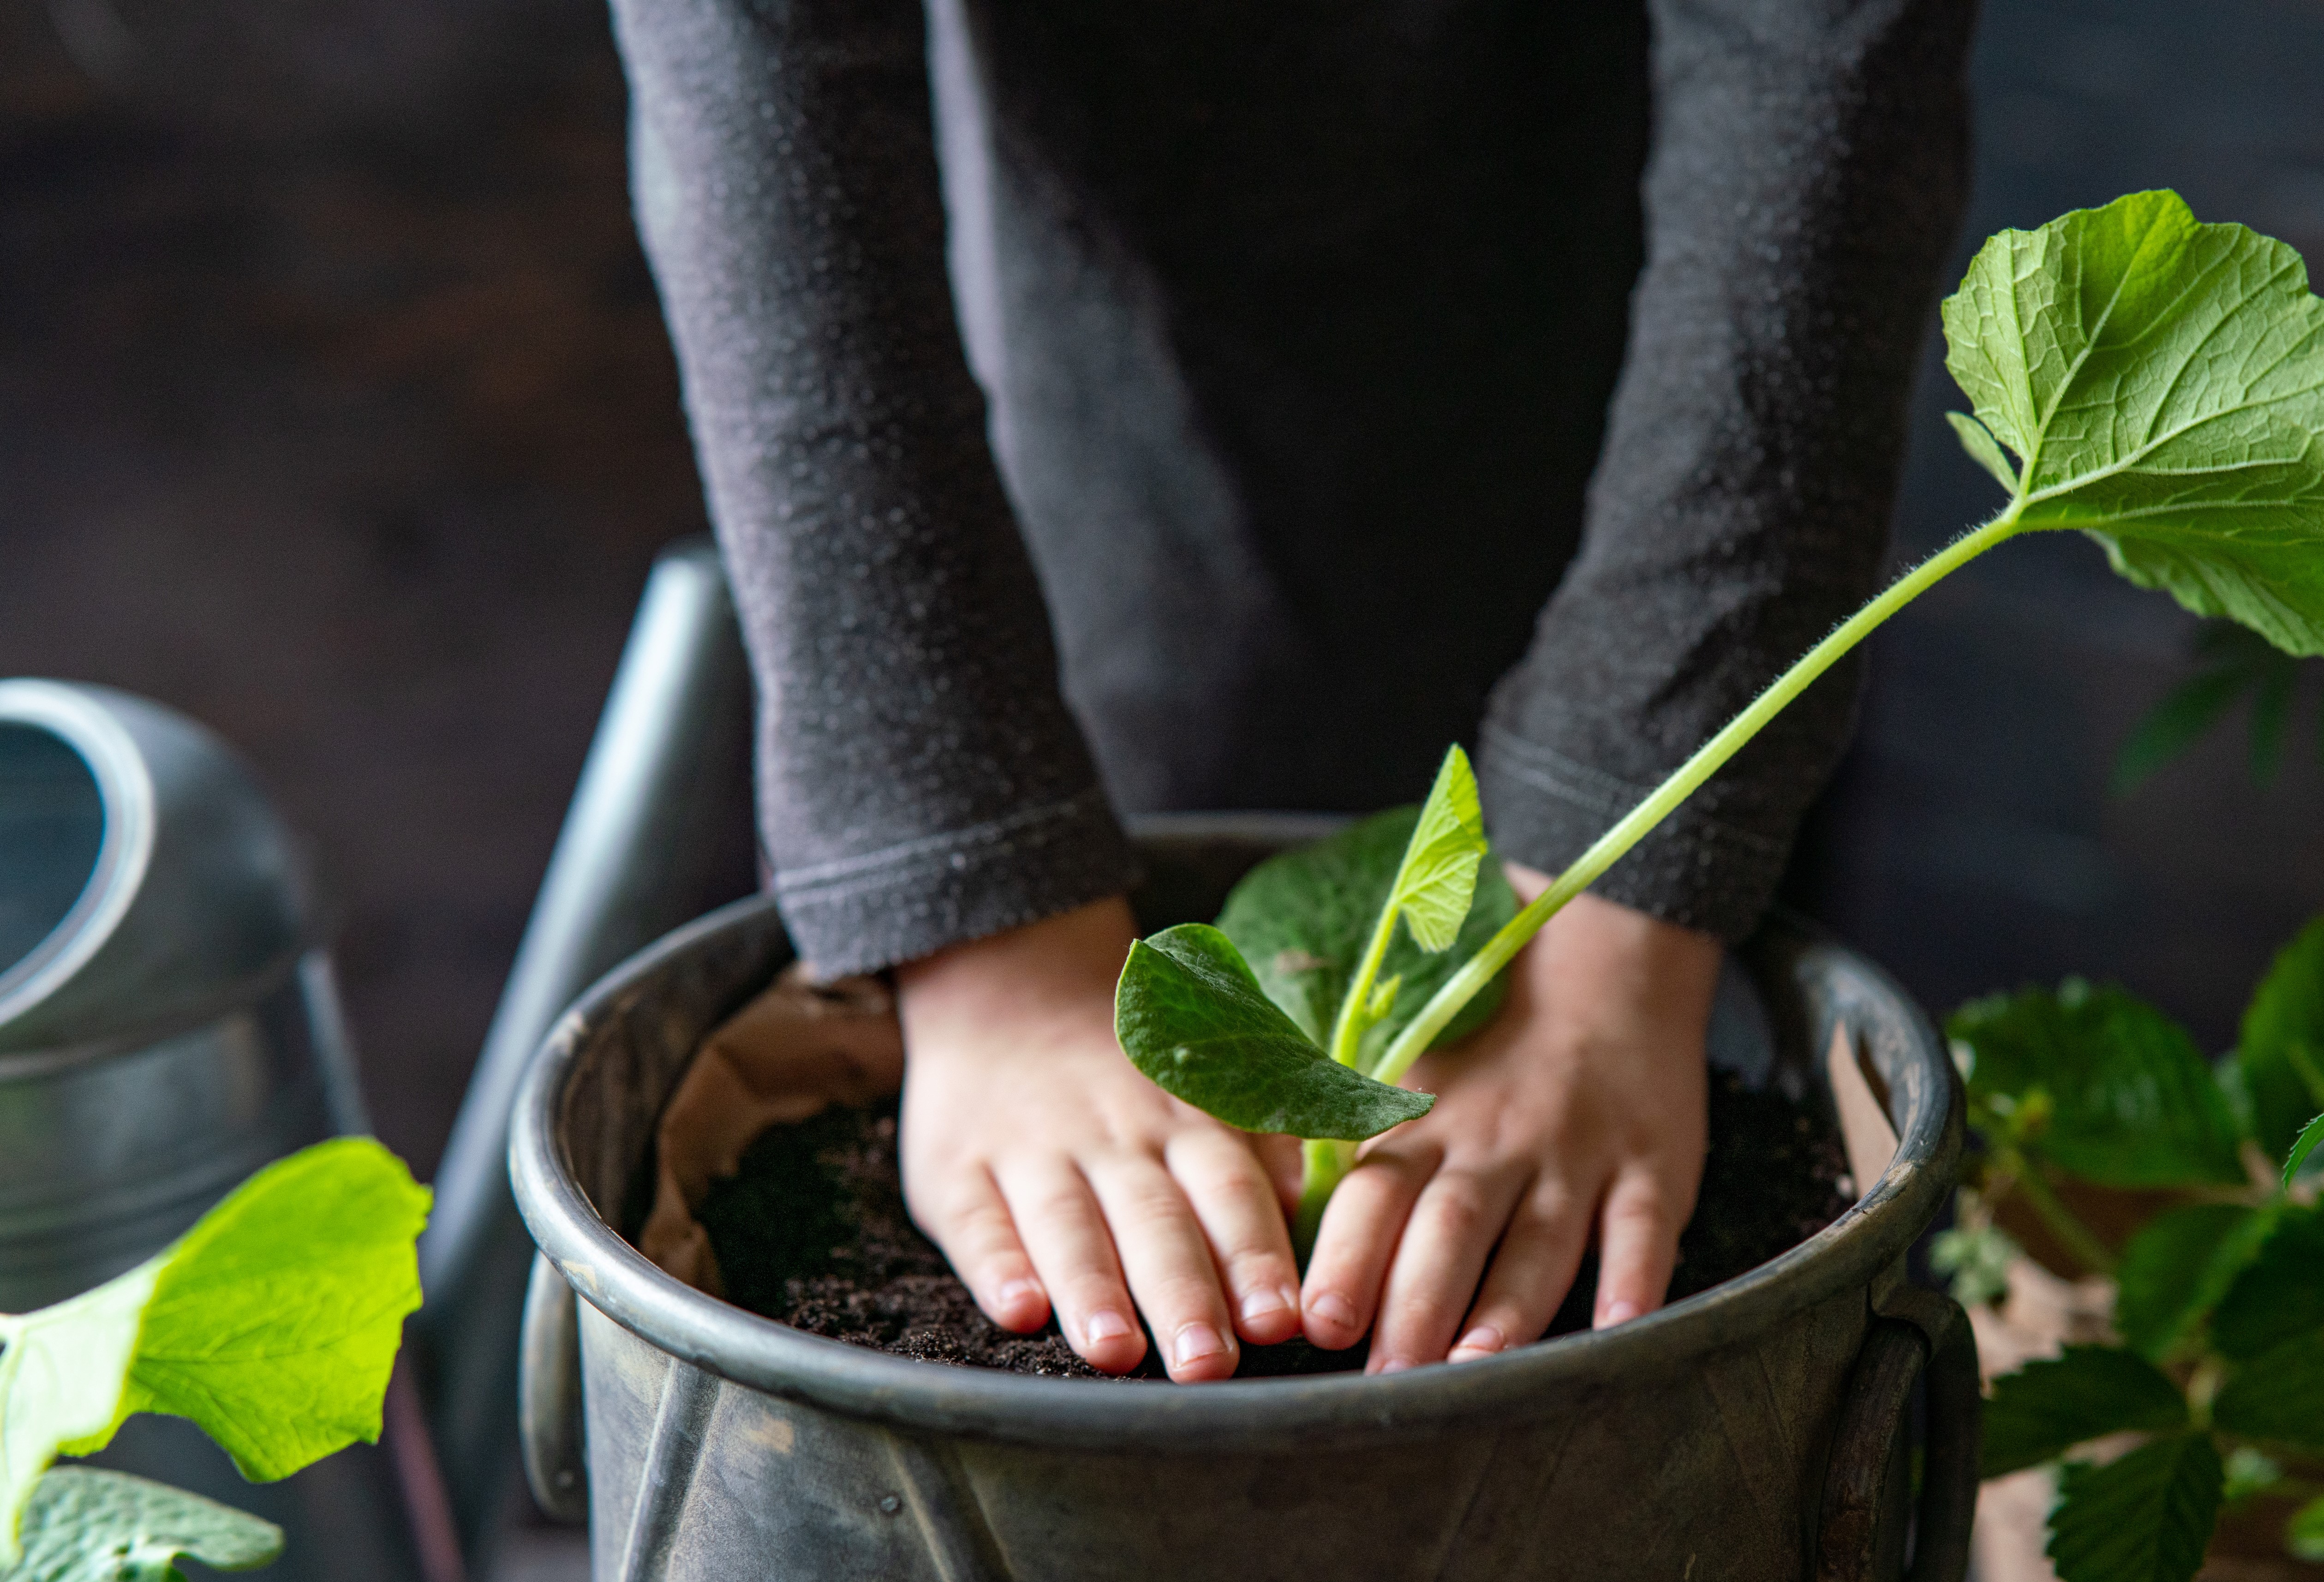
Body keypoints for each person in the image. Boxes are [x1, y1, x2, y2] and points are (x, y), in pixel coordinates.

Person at [610, 0, 1973, 1380]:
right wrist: (983, 914)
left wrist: (1632, 894)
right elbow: (747, 53)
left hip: (1697, 507)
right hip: (1121, 470)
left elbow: (1823, 51)